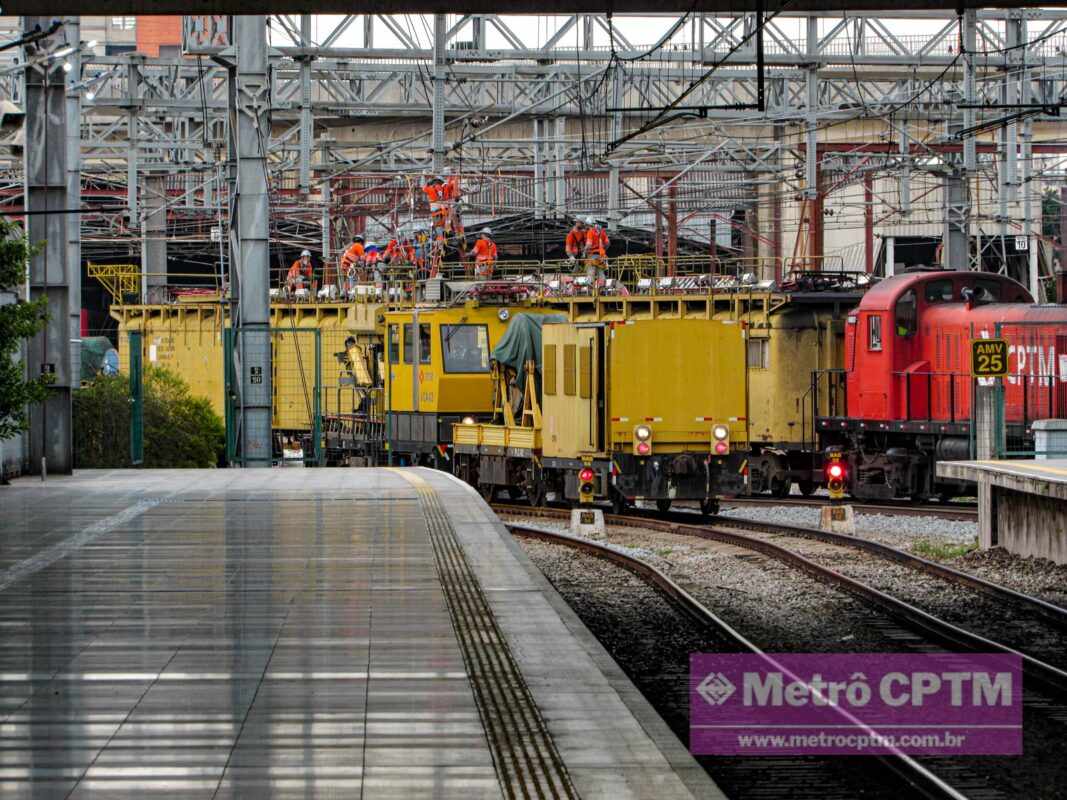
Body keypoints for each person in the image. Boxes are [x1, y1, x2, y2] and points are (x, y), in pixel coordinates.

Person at [583, 217, 610, 285]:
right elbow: (607, 243)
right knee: (601, 272)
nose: (586, 227)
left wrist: (584, 251)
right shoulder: (602, 231)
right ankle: (603, 287)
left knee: (590, 272)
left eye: (586, 225)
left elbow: (589, 244)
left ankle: (590, 290)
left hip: (592, 256)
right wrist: (602, 249)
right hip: (601, 256)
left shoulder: (590, 231)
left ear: (589, 224)